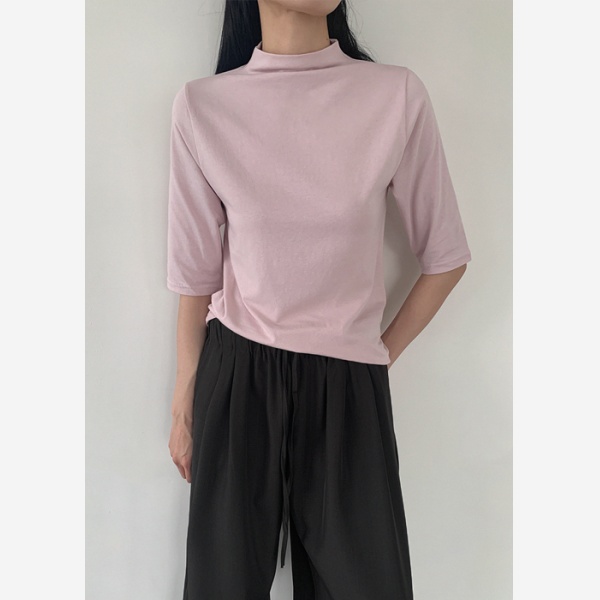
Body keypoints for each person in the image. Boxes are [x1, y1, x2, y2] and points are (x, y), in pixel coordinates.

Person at [167, 1, 472, 598]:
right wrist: (183, 403)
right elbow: (195, 275)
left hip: (348, 385)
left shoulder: (393, 96)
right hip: (237, 374)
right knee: (221, 587)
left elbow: (446, 258)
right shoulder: (204, 106)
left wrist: (373, 357)